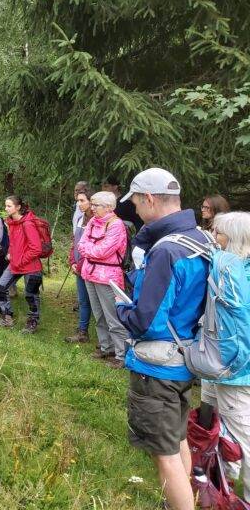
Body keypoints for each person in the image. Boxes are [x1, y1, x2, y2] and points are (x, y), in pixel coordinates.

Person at [116, 167, 210, 510]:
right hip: (185, 357)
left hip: (157, 367)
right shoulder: (200, 239)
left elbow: (146, 321)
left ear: (149, 198)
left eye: (137, 204)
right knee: (178, 437)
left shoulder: (166, 251)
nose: (136, 212)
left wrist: (121, 310)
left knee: (164, 454)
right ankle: (182, 499)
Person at [200, 212, 250, 504]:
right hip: (230, 364)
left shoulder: (228, 268)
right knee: (219, 422)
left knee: (243, 435)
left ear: (231, 238)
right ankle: (217, 476)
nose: (212, 237)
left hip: (234, 368)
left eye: (217, 232)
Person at [77, 191, 129, 367]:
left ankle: (121, 355)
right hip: (89, 273)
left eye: (95, 205)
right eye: (92, 204)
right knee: (98, 314)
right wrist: (91, 250)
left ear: (108, 207)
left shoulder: (116, 225)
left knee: (112, 316)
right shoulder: (92, 221)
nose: (92, 208)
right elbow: (81, 245)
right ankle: (106, 347)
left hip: (108, 277)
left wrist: (90, 250)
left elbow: (103, 251)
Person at [0, 195, 43, 333]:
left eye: (9, 206)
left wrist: (21, 260)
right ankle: (7, 317)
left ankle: (33, 321)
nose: (6, 208)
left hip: (31, 266)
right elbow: (13, 242)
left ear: (18, 207)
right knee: (0, 287)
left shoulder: (28, 223)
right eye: (5, 205)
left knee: (31, 294)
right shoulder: (12, 223)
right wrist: (10, 252)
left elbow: (36, 248)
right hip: (16, 263)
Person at [65, 188, 93, 343]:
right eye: (78, 200)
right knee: (82, 300)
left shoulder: (97, 220)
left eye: (82, 200)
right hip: (78, 268)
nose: (79, 203)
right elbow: (74, 243)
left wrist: (80, 264)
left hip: (91, 268)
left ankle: (108, 341)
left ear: (91, 201)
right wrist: (72, 261)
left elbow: (92, 248)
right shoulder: (79, 218)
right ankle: (83, 331)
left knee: (96, 303)